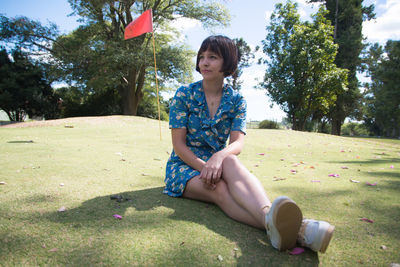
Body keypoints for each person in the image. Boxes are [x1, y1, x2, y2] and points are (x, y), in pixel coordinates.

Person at [163, 35, 334, 253]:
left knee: (230, 159)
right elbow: (179, 146)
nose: (204, 62)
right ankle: (300, 232)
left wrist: (217, 158)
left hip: (217, 163)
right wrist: (205, 167)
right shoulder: (184, 94)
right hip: (183, 167)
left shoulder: (236, 100)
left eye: (212, 57)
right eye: (202, 57)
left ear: (228, 63)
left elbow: (237, 143)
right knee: (219, 189)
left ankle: (269, 214)